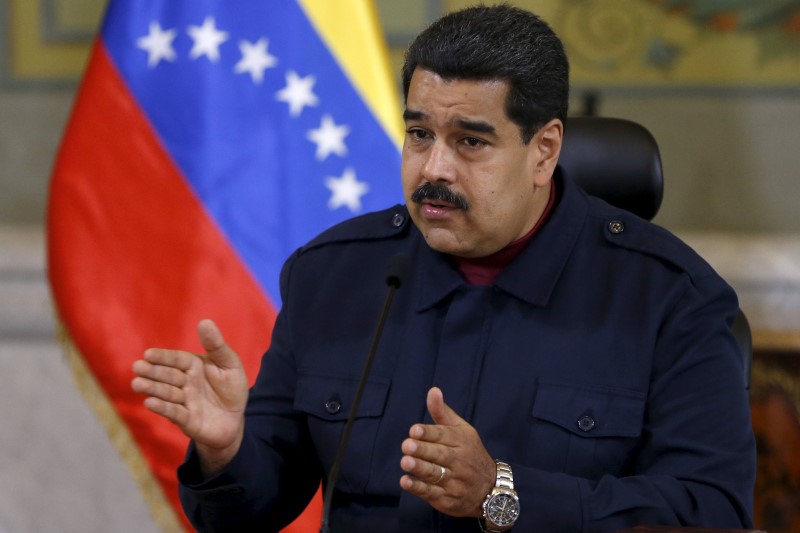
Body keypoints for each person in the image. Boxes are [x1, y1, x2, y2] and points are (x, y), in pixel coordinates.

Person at [131, 4, 756, 532]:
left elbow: (712, 514)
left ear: (543, 151)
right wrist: (226, 450)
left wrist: (501, 493)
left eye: (470, 142)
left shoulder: (672, 298)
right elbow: (250, 508)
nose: (433, 169)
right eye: (419, 134)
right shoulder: (333, 274)